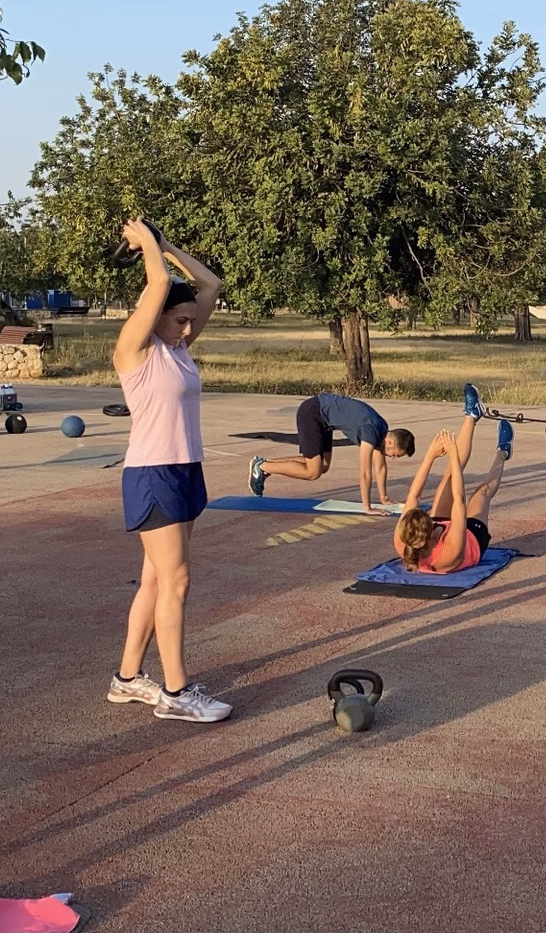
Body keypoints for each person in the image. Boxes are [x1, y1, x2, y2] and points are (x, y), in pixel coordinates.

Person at [105, 220, 230, 724]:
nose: (187, 329)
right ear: (154, 315)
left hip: (184, 469)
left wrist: (168, 246)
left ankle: (127, 679)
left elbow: (211, 284)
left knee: (156, 581)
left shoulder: (178, 350)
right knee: (176, 581)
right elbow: (158, 284)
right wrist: (146, 244)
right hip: (152, 472)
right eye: (178, 320)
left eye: (189, 321)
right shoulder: (135, 351)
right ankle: (176, 693)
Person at [393, 386, 512, 574]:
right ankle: (503, 451)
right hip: (471, 539)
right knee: (481, 493)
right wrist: (453, 455)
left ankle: (472, 415)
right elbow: (459, 499)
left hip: (434, 537)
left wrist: (430, 456)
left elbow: (413, 496)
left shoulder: (403, 539)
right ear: (431, 534)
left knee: (448, 476)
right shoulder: (448, 554)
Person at [248, 393, 415, 514]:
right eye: (395, 454)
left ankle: (262, 464)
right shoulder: (371, 431)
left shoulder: (383, 430)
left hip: (324, 419)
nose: (393, 457)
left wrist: (384, 498)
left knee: (323, 466)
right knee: (313, 472)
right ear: (391, 442)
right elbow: (365, 473)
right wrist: (368, 508)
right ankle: (262, 467)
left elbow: (380, 467)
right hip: (313, 413)